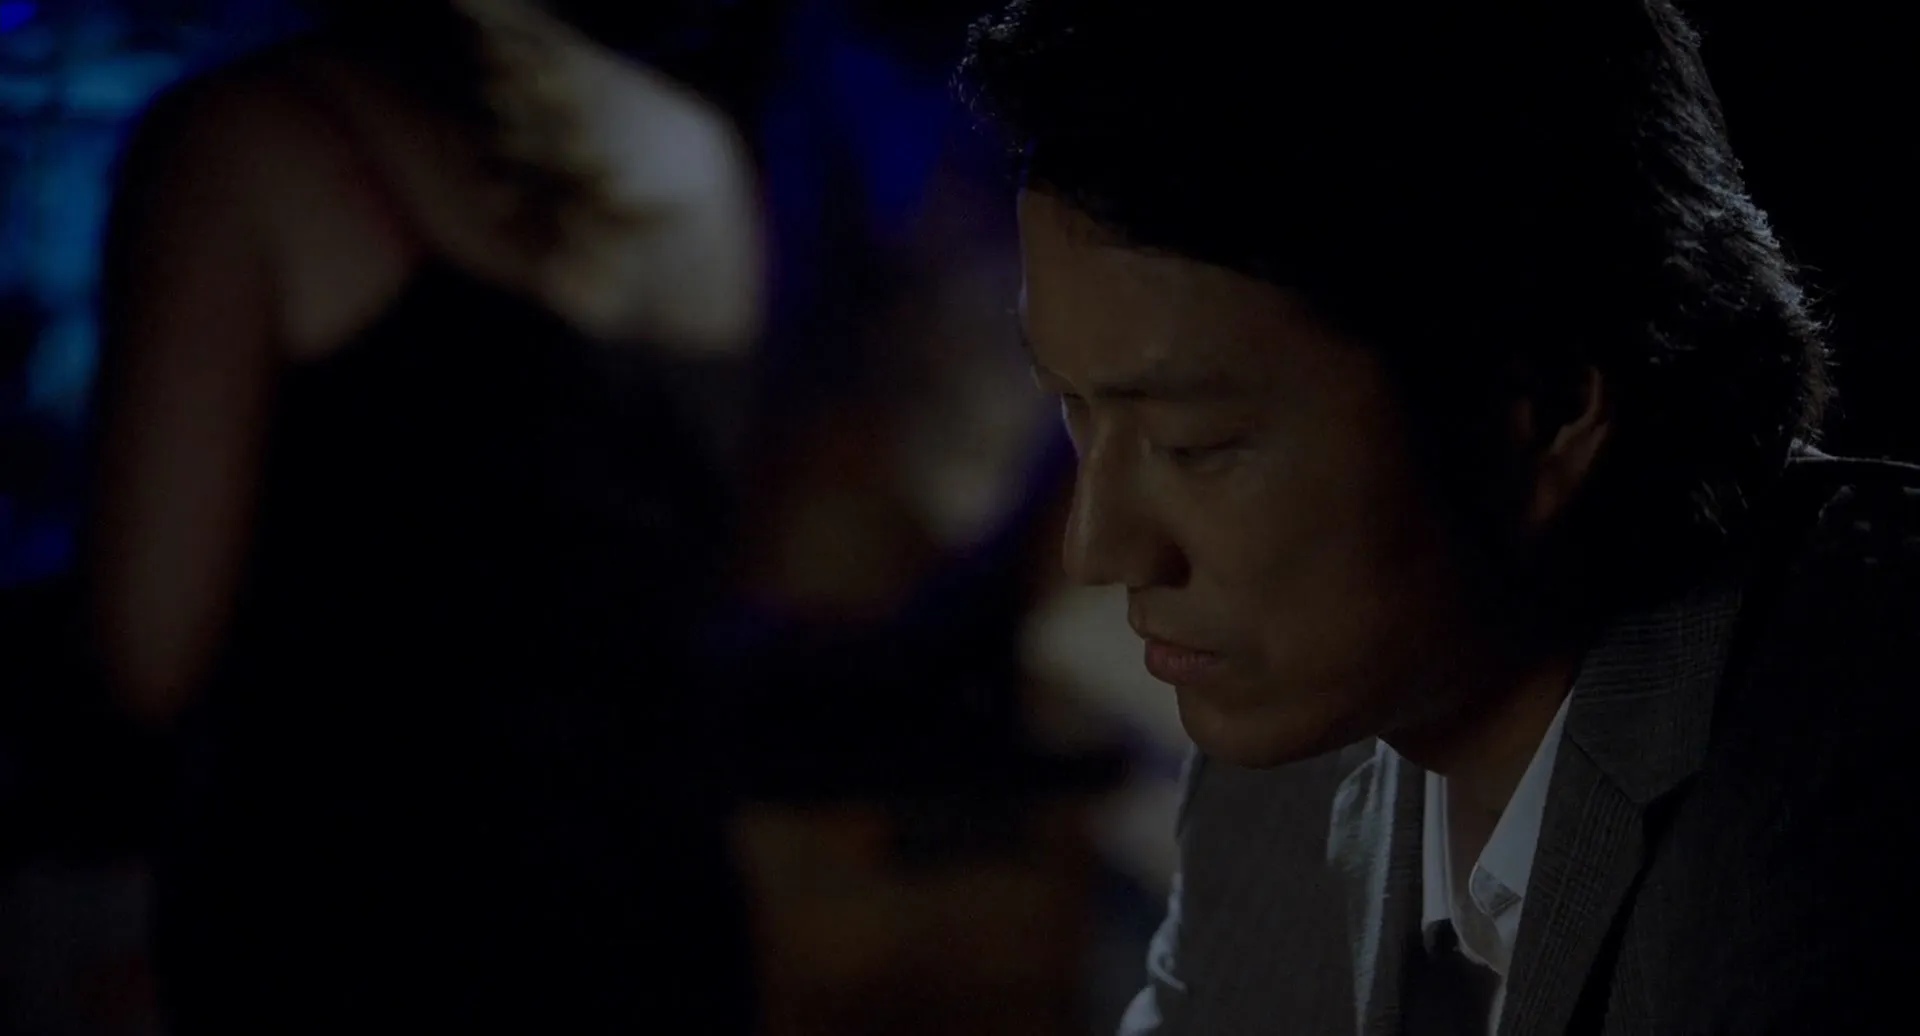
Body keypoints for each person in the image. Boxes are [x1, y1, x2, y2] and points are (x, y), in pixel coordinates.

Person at [960, 1, 1920, 1033]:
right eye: (1074, 407)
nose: (1099, 546)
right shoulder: (1301, 745)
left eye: (1196, 443)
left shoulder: (1842, 788)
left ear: (1542, 409)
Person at [83, 1, 765, 1031]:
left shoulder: (248, 142)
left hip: (361, 926)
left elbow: (145, 648)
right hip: (654, 921)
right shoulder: (696, 152)